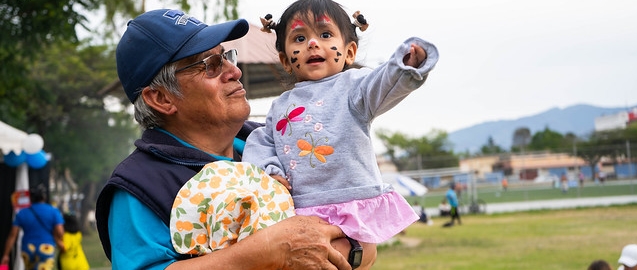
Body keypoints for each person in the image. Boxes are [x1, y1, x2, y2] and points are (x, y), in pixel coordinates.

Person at [94, 8, 357, 270]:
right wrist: (268, 252)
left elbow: (363, 244)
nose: (234, 71)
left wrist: (349, 248)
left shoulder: (277, 140)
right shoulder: (140, 185)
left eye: (226, 57)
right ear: (162, 99)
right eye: (210, 65)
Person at [242, 0, 438, 268]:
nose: (312, 43)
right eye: (299, 38)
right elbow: (261, 142)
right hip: (300, 210)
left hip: (350, 203)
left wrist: (402, 66)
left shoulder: (354, 88)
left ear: (349, 52)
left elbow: (380, 84)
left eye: (325, 35)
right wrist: (270, 172)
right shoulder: (280, 105)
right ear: (285, 61)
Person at [1, 185, 65, 270]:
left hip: (28, 249)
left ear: (31, 198)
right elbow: (60, 232)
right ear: (44, 197)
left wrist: (6, 255)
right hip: (46, 247)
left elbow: (12, 235)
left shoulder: (22, 213)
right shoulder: (53, 211)